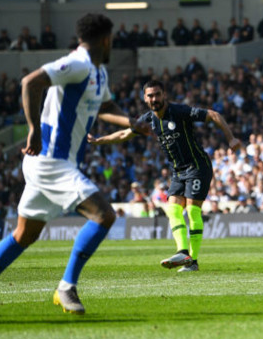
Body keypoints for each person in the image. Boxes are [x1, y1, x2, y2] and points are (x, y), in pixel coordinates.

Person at [0, 13, 137, 317]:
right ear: (106, 39)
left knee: (24, 234)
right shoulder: (77, 64)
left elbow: (106, 106)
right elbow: (31, 81)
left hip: (55, 164)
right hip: (51, 160)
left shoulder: (98, 73)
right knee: (103, 215)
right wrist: (32, 127)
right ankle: (66, 287)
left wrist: (133, 123)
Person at [89, 80, 243, 272]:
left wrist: (231, 138)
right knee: (172, 210)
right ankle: (184, 253)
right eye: (150, 96)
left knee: (193, 210)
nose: (154, 99)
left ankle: (192, 260)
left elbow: (213, 114)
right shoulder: (148, 120)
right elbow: (124, 134)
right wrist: (99, 141)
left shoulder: (179, 111)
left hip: (198, 166)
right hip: (178, 171)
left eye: (157, 94)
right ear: (145, 99)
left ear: (164, 95)